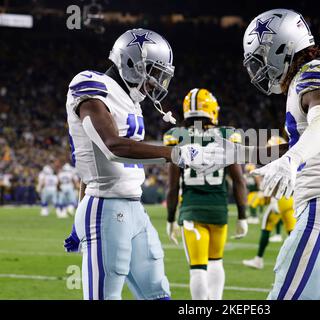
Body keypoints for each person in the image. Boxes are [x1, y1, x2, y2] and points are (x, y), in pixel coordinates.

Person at [208, 8, 320, 299]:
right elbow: (301, 141)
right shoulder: (315, 71)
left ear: (281, 47)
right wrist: (238, 153)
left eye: (261, 58)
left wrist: (292, 160)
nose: (260, 68)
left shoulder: (314, 73)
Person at [62, 28, 224, 300]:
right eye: (153, 72)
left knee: (158, 294)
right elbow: (111, 147)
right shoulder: (91, 85)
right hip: (105, 208)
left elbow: (90, 170)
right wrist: (174, 153)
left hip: (133, 208)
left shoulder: (129, 100)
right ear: (131, 63)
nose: (156, 82)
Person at [164, 88, 248, 300]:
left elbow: (172, 186)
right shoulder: (227, 135)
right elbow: (239, 180)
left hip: (192, 210)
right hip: (218, 211)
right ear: (211, 109)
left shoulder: (178, 137)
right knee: (216, 263)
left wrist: (170, 219)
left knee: (198, 268)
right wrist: (242, 216)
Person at [243, 136, 296, 270]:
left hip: (279, 200)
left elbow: (273, 184)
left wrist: (265, 194)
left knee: (266, 225)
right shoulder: (292, 159)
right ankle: (299, 266)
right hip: (291, 199)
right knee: (293, 235)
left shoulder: (278, 161)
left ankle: (258, 260)